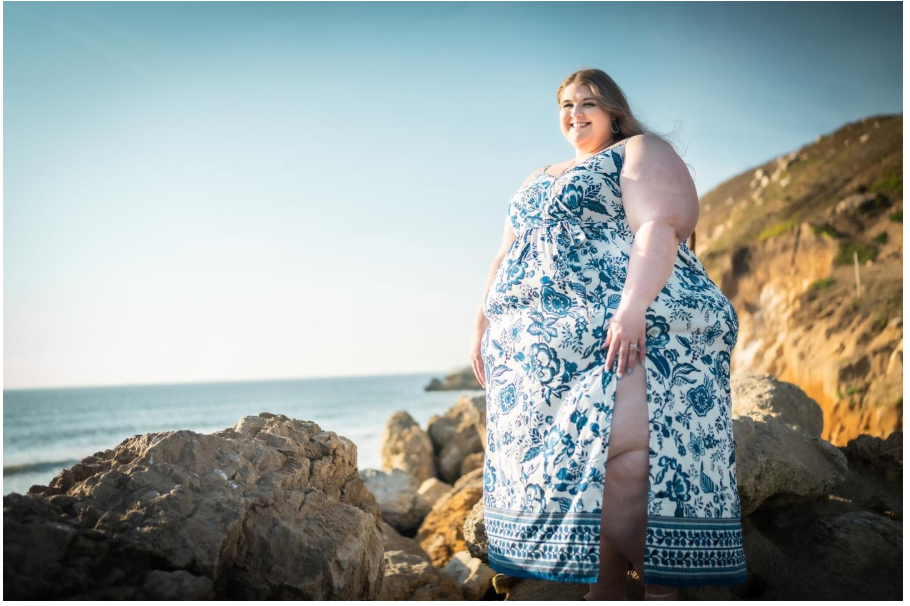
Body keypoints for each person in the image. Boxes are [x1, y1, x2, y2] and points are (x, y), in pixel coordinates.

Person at [470, 69, 747, 600]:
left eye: (587, 103)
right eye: (566, 105)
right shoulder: (535, 176)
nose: (574, 114)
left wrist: (631, 307)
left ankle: (669, 588)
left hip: (621, 329)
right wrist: (481, 325)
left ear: (614, 111)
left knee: (627, 462)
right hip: (530, 360)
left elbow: (660, 225)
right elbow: (505, 255)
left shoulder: (637, 151)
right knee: (585, 479)